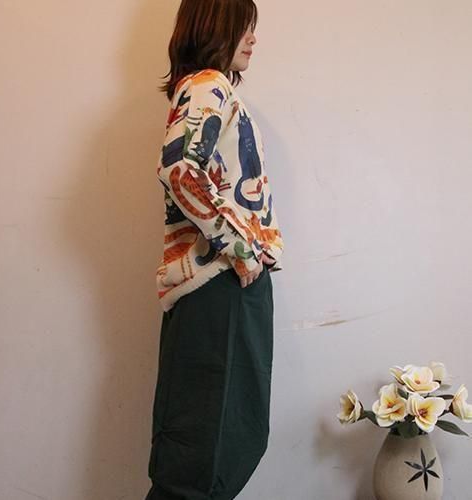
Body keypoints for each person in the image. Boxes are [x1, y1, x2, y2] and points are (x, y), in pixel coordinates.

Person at [145, 0, 284, 498]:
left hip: (222, 284)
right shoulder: (209, 85)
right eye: (245, 26)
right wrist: (242, 250)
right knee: (204, 452)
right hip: (219, 283)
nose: (253, 38)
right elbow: (179, 169)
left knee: (220, 443)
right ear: (216, 26)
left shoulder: (210, 89)